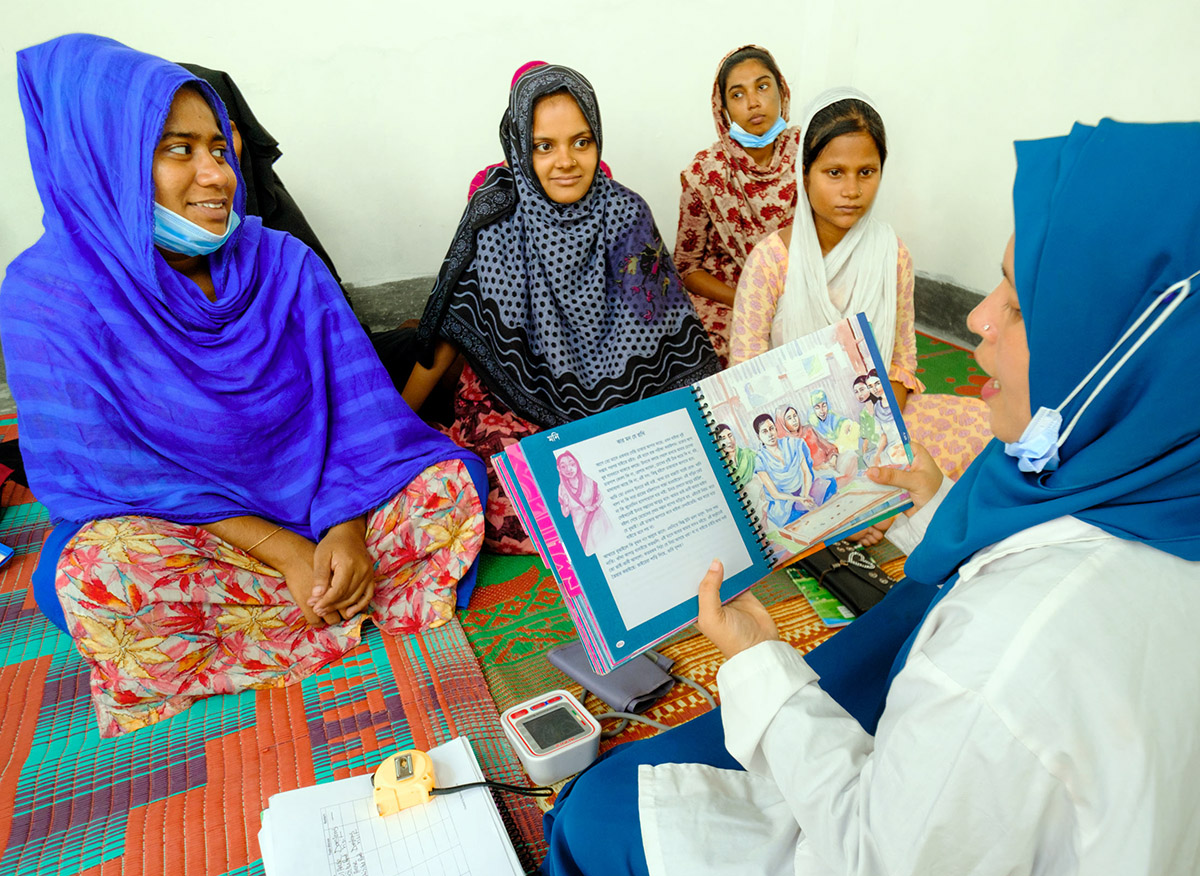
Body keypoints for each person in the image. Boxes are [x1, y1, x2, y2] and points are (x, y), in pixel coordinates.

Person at [539, 118, 1200, 875]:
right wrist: (935, 508)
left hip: (882, 822)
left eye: (1019, 306)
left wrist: (759, 659)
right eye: (1000, 284)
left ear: (1119, 354)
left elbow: (874, 854)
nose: (979, 318)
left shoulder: (999, 663)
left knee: (598, 809)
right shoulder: (1150, 479)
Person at [5, 35, 486, 737]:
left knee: (448, 488)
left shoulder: (282, 263)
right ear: (103, 156)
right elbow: (119, 479)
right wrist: (289, 552)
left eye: (219, 149)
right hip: (202, 536)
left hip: (330, 507)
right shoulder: (50, 297)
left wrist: (344, 529)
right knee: (101, 574)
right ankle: (345, 604)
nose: (216, 176)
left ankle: (294, 614)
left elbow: (361, 423)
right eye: (178, 149)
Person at [406, 63, 718, 554]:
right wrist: (396, 426)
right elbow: (448, 334)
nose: (565, 161)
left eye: (581, 141)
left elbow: (666, 341)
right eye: (543, 146)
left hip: (615, 400)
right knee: (504, 502)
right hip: (513, 404)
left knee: (669, 478)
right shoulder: (497, 221)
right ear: (519, 149)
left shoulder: (626, 214)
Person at [729, 88, 990, 480]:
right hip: (795, 434)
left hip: (875, 420)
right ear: (804, 174)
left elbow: (902, 362)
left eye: (866, 172)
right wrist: (819, 448)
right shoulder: (771, 262)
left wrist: (883, 435)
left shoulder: (892, 254)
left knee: (986, 427)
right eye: (834, 173)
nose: (852, 190)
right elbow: (745, 375)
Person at [675, 46, 800, 366]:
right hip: (731, 298)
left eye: (762, 86)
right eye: (737, 94)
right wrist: (749, 300)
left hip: (800, 294)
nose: (754, 102)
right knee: (710, 362)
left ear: (781, 90)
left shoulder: (810, 153)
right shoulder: (706, 172)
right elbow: (688, 268)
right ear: (724, 108)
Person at [752, 414, 836, 527]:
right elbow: (775, 494)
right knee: (797, 519)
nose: (770, 434)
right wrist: (799, 499)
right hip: (785, 503)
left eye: (771, 428)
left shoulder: (793, 444)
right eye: (764, 431)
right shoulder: (760, 459)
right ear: (759, 436)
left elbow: (806, 472)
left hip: (805, 490)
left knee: (830, 483)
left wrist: (805, 495)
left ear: (776, 429)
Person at [556, 451, 613, 555]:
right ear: (559, 469)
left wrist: (594, 506)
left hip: (598, 520)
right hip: (581, 526)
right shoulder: (562, 489)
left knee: (608, 545)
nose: (569, 469)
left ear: (577, 464)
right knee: (594, 551)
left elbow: (600, 496)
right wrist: (566, 504)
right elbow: (565, 514)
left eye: (572, 464)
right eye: (563, 467)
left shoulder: (588, 481)